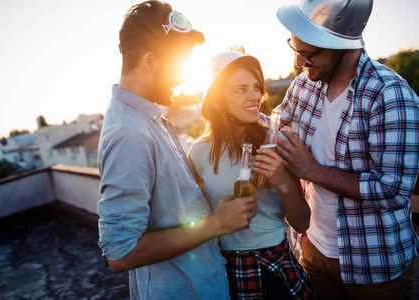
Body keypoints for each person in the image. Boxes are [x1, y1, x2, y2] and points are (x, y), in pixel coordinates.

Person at [97, 2, 259, 299]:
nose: (183, 78)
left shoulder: (149, 120)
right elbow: (120, 253)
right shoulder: (128, 134)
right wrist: (215, 224)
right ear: (150, 61)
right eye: (178, 64)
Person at [270, 0, 419, 299]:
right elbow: (275, 123)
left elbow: (393, 191)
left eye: (308, 54)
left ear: (342, 45)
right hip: (312, 249)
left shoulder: (390, 94)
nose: (299, 62)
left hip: (374, 265)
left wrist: (311, 170)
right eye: (295, 49)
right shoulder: (303, 86)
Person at [188, 51, 315, 300]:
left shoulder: (275, 143)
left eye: (256, 87)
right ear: (217, 101)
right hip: (225, 269)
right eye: (240, 90)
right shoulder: (200, 151)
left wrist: (283, 182)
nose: (255, 96)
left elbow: (302, 223)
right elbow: (190, 216)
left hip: (276, 267)